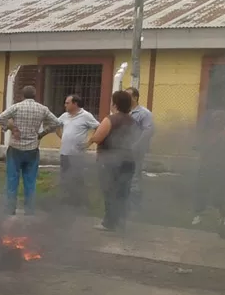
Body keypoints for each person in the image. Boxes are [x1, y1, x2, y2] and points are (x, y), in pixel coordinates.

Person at [0, 85, 62, 215]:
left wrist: (12, 128)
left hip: (15, 147)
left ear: (22, 95)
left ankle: (10, 208)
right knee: (30, 180)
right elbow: (56, 122)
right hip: (32, 148)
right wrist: (42, 133)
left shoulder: (16, 107)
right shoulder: (42, 109)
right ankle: (29, 209)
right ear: (35, 95)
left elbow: (0, 118)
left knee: (12, 179)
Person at [88, 90, 141, 232]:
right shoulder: (133, 121)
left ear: (115, 104)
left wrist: (91, 139)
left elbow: (98, 137)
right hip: (128, 160)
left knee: (109, 191)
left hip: (110, 161)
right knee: (123, 192)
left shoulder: (110, 119)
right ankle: (121, 221)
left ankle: (109, 223)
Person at [56, 94, 100, 207]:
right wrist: (61, 136)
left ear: (75, 104)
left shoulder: (86, 116)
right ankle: (66, 201)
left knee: (77, 178)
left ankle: (80, 202)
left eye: (67, 103)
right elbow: (55, 124)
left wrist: (89, 142)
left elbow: (98, 128)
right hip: (64, 153)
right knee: (65, 178)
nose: (65, 105)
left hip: (77, 155)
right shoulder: (64, 116)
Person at [192, 110, 225, 227]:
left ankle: (223, 216)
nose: (217, 120)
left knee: (220, 193)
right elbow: (198, 147)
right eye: (215, 118)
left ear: (224, 121)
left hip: (221, 168)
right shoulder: (207, 134)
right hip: (205, 166)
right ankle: (198, 215)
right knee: (201, 190)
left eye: (220, 118)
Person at [126, 87, 154, 205]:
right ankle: (124, 201)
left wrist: (137, 145)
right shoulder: (124, 111)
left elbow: (148, 131)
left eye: (128, 95)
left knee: (135, 176)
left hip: (136, 149)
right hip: (123, 149)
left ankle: (135, 204)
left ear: (135, 97)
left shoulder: (144, 113)